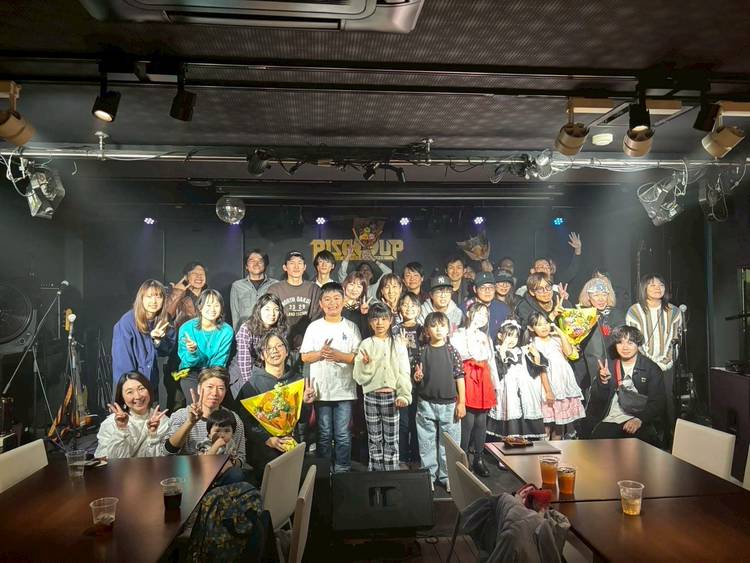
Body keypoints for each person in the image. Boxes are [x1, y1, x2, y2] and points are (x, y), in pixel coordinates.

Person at [300, 282, 362, 473]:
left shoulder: (351, 327)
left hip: (344, 390)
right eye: (327, 299)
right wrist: (321, 353)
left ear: (343, 301)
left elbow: (359, 357)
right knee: (324, 433)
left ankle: (342, 468)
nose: (332, 303)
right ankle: (323, 470)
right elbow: (304, 356)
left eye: (336, 298)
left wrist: (338, 356)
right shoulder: (314, 327)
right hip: (321, 390)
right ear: (320, 303)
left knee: (343, 434)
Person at [237, 332, 314, 482]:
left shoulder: (298, 380)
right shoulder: (252, 385)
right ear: (262, 355)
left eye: (279, 346)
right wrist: (266, 439)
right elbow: (245, 421)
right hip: (264, 450)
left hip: (292, 446)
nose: (275, 351)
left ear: (287, 351)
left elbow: (302, 420)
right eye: (269, 348)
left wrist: (306, 404)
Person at [581, 325, 665, 446]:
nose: (625, 347)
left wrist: (640, 419)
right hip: (611, 418)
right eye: (620, 342)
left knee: (639, 445)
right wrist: (603, 382)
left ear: (638, 345)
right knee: (597, 445)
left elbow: (658, 402)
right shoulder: (608, 366)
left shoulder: (651, 369)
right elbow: (597, 402)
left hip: (639, 417)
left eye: (630, 343)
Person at [163, 367, 247, 485]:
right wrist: (190, 422)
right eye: (210, 387)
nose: (215, 393)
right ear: (199, 389)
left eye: (220, 388)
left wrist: (230, 462)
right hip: (188, 474)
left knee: (236, 474)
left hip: (222, 474)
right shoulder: (181, 415)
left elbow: (241, 458)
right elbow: (167, 452)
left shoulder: (233, 419)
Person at [353, 303, 412, 471]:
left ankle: (391, 472)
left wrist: (403, 395)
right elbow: (358, 377)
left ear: (391, 320)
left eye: (384, 319)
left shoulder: (398, 343)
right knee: (374, 438)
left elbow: (404, 371)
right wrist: (366, 365)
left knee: (392, 439)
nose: (380, 323)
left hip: (392, 397)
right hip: (371, 397)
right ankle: (376, 473)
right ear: (370, 322)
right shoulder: (366, 344)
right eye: (375, 319)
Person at [626, 274, 683, 439]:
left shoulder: (674, 311)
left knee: (668, 399)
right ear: (644, 288)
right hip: (643, 363)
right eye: (652, 285)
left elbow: (675, 340)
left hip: (667, 364)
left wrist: (665, 362)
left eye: (661, 285)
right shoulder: (634, 311)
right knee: (644, 399)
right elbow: (634, 342)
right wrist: (650, 364)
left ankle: (671, 437)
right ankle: (645, 436)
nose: (658, 288)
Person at [415, 312, 465, 491]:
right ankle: (428, 475)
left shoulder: (452, 351)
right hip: (425, 403)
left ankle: (448, 476)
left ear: (448, 329)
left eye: (442, 325)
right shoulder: (421, 351)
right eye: (433, 325)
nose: (438, 329)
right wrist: (417, 376)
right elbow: (417, 376)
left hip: (449, 404)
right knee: (426, 442)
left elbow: (460, 376)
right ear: (427, 330)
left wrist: (462, 402)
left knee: (449, 444)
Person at [450, 303, 501, 477]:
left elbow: (491, 361)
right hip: (467, 376)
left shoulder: (485, 336)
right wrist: (470, 330)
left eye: (485, 315)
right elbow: (462, 355)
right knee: (467, 421)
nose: (482, 317)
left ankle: (478, 458)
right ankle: (463, 458)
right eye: (478, 313)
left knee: (481, 421)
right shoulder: (458, 334)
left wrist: (496, 385)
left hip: (483, 377)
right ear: (469, 313)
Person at [527, 312, 585, 439]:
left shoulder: (556, 339)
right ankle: (543, 451)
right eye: (539, 325)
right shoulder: (534, 343)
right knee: (546, 428)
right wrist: (548, 391)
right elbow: (541, 368)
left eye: (546, 323)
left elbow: (569, 352)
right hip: (547, 384)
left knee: (559, 428)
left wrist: (560, 333)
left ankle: (556, 452)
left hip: (562, 384)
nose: (544, 327)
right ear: (531, 328)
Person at [488, 321, 547, 441]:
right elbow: (497, 373)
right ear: (500, 336)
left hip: (525, 392)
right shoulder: (495, 353)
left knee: (526, 431)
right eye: (509, 335)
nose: (513, 339)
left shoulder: (523, 351)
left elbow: (536, 370)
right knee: (510, 430)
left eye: (515, 336)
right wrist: (502, 351)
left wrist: (536, 356)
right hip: (507, 394)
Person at [111, 279, 174, 391]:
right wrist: (133, 387)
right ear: (141, 298)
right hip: (129, 385)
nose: (154, 301)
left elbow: (170, 349)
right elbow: (123, 361)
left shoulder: (165, 319)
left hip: (152, 383)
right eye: (149, 296)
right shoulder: (127, 322)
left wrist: (158, 341)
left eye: (158, 297)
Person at [95, 371, 170, 459]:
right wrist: (121, 429)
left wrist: (153, 435)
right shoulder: (110, 423)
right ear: (122, 397)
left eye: (141, 389)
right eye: (130, 392)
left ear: (149, 390)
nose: (138, 396)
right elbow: (112, 461)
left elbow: (162, 460)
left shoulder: (162, 420)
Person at [177, 289, 234, 402]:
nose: (212, 309)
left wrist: (210, 380)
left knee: (211, 401)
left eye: (216, 305)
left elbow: (219, 362)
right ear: (200, 307)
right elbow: (186, 361)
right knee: (196, 402)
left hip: (214, 371)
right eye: (208, 305)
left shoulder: (226, 331)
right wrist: (193, 352)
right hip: (189, 371)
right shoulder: (186, 328)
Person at [573, 277, 626, 396]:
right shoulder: (581, 315)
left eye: (604, 294)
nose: (601, 299)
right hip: (588, 370)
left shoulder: (616, 314)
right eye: (596, 295)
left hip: (613, 365)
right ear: (588, 297)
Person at [228, 293, 288, 398]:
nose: (272, 314)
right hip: (243, 370)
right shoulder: (246, 328)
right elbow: (244, 360)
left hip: (266, 369)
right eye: (267, 309)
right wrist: (251, 386)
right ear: (259, 310)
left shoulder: (281, 329)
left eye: (276, 310)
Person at [267, 251, 322, 350]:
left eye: (300, 263)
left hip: (309, 342)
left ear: (304, 267)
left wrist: (305, 336)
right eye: (292, 263)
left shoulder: (314, 289)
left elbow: (318, 317)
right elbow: (270, 317)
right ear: (285, 267)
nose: (296, 267)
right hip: (281, 342)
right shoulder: (275, 289)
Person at [395, 292, 422, 465]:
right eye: (405, 305)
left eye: (413, 305)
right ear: (399, 308)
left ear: (419, 309)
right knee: (403, 423)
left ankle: (417, 459)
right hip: (401, 382)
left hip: (420, 383)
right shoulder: (394, 329)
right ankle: (402, 459)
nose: (409, 308)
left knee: (417, 422)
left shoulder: (423, 329)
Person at [516, 233, 582, 297]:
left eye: (547, 267)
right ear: (533, 271)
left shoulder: (556, 289)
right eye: (541, 266)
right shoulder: (524, 291)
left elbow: (572, 270)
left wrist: (578, 249)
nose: (545, 269)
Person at [230, 249, 277, 330]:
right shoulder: (237, 286)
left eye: (260, 261)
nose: (256, 264)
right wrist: (238, 334)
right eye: (252, 261)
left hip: (269, 331)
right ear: (246, 266)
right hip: (246, 332)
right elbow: (235, 314)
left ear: (265, 265)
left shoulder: (275, 285)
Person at [464, 271, 511, 338]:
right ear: (475, 289)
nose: (487, 291)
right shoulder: (465, 308)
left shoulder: (503, 309)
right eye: (483, 287)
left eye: (491, 287)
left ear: (495, 289)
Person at [165, 261, 208, 331]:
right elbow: (165, 318)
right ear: (186, 277)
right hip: (182, 336)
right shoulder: (175, 293)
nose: (199, 276)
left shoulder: (210, 296)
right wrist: (176, 293)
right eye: (194, 273)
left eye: (202, 274)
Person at [341, 271, 370, 338]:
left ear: (363, 290)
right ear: (344, 286)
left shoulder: (367, 307)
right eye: (351, 285)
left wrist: (365, 315)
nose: (354, 289)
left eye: (359, 286)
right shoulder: (335, 305)